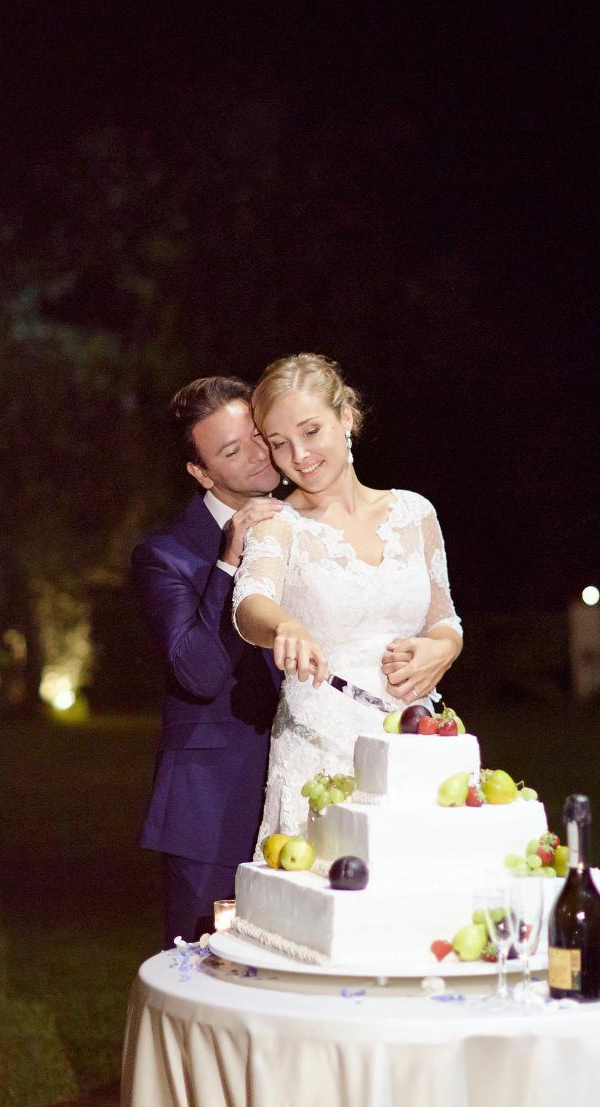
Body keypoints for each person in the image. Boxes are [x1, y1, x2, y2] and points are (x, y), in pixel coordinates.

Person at [233, 353, 463, 848]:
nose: (299, 455)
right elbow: (249, 603)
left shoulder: (415, 512)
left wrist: (445, 648)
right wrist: (283, 626)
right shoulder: (279, 523)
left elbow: (444, 619)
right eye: (280, 443)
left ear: (347, 418)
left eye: (311, 431)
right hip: (321, 749)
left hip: (413, 742)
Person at [132, 376, 283, 946]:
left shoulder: (308, 525)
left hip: (306, 787)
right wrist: (230, 562)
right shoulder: (164, 556)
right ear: (201, 473)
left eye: (255, 435)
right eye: (230, 450)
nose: (257, 453)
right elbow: (196, 672)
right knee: (209, 971)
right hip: (213, 806)